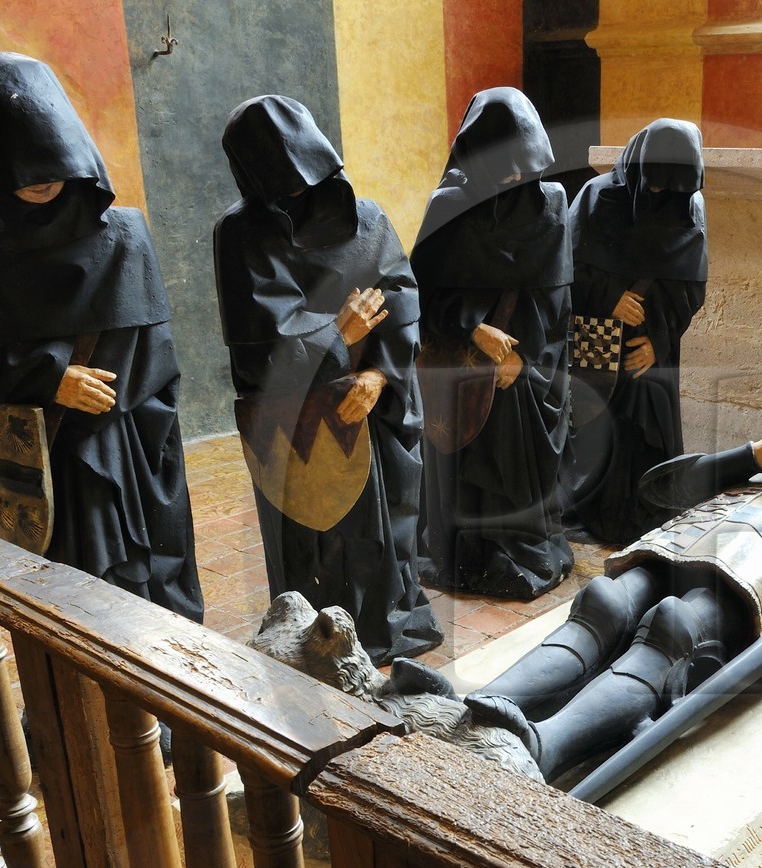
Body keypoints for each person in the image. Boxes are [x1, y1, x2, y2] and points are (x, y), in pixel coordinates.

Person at [469, 399, 762, 783]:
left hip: (745, 582)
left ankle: (547, 744)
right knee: (604, 601)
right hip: (671, 552)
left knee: (673, 624)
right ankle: (481, 704)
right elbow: (659, 488)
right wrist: (757, 454)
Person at [0, 52, 202, 622]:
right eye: (20, 161)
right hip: (42, 457)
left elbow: (158, 362)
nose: (43, 177)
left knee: (147, 593)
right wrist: (50, 379)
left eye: (50, 154)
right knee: (69, 600)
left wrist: (109, 404)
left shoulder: (123, 230)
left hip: (127, 447)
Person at [214, 95, 441, 664]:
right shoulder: (239, 233)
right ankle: (324, 633)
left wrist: (379, 376)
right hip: (302, 419)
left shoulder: (368, 218)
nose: (297, 188)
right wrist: (336, 335)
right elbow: (256, 344)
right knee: (317, 537)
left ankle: (389, 623)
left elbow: (400, 295)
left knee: (391, 526)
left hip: (376, 403)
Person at [410, 88, 574, 600]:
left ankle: (517, 553)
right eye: (502, 163)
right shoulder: (450, 204)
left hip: (527, 363)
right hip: (463, 364)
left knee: (517, 465)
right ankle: (465, 555)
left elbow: (556, 298)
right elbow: (423, 293)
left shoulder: (551, 200)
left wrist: (526, 359)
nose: (515, 176)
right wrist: (473, 328)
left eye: (522, 163)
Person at [563, 118, 708, 544]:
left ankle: (646, 517)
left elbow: (692, 286)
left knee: (647, 436)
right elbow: (566, 267)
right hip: (599, 341)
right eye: (654, 185)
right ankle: (592, 515)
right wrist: (609, 298)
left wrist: (658, 342)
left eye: (672, 189)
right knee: (597, 431)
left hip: (651, 349)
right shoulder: (597, 197)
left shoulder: (688, 203)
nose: (661, 196)